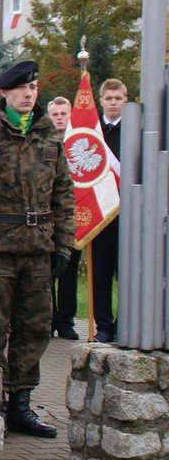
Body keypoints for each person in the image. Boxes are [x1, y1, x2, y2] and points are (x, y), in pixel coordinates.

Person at [0, 60, 73, 438]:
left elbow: (63, 193)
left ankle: (22, 404)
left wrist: (65, 243)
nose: (30, 94)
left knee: (35, 327)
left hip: (38, 250)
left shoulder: (49, 135)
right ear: (5, 93)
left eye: (34, 88)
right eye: (23, 88)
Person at [90, 79, 127, 343]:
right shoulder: (93, 131)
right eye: (109, 98)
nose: (113, 102)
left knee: (124, 272)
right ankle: (103, 324)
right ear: (101, 100)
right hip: (99, 211)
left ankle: (124, 322)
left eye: (118, 98)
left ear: (125, 100)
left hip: (127, 212)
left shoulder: (135, 129)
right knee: (100, 273)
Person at [46, 96, 81, 340]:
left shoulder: (82, 140)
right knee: (45, 275)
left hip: (74, 217)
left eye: (63, 113)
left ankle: (67, 321)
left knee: (68, 272)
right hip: (46, 220)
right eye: (55, 114)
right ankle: (49, 318)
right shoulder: (44, 141)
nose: (59, 118)